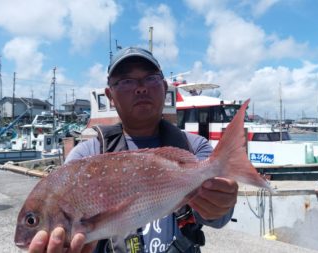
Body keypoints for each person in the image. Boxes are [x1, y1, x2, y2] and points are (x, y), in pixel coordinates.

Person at [28, 47, 239, 253]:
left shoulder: (195, 147)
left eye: (150, 78)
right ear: (110, 96)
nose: (141, 88)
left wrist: (221, 204)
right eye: (126, 81)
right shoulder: (84, 156)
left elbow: (218, 219)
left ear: (165, 88)